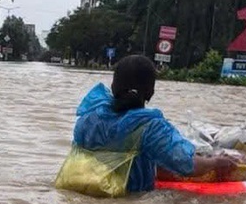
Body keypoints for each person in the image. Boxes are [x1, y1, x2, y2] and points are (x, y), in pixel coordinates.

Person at [72, 54, 236, 193]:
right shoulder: (151, 127)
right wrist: (215, 163)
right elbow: (187, 164)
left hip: (85, 194)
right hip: (132, 201)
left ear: (114, 87)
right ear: (151, 92)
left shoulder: (87, 119)